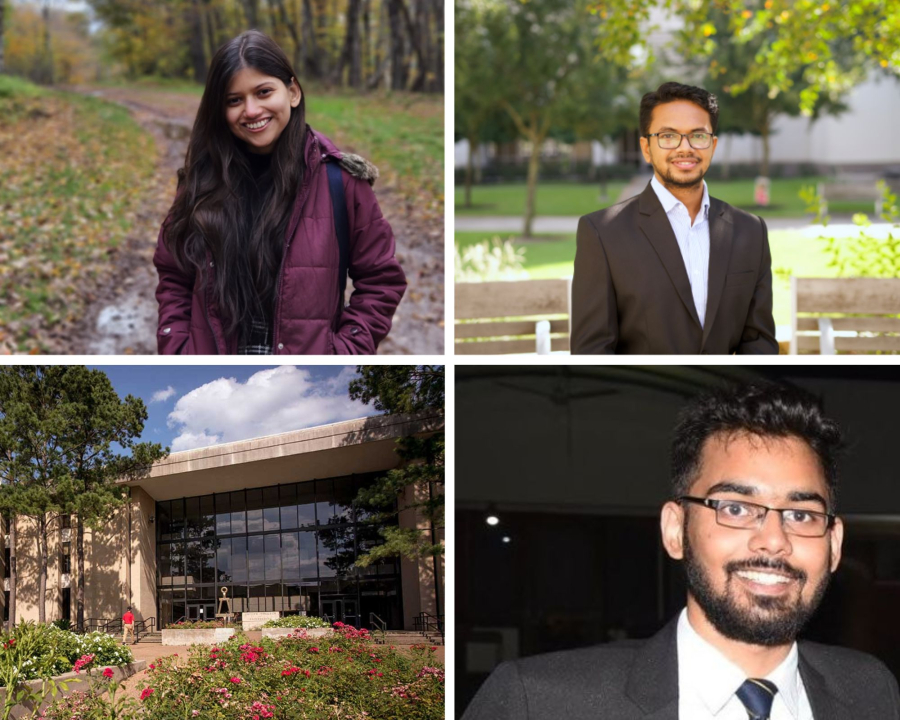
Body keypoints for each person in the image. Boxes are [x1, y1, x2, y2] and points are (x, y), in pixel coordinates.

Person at [462, 382, 900, 719]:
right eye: (735, 508)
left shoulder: (870, 691)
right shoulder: (537, 703)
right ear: (675, 530)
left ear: (835, 543)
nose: (773, 539)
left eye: (801, 515)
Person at [154, 30, 406, 354]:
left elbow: (381, 280)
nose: (251, 110)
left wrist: (344, 351)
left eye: (263, 92)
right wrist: (178, 349)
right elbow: (174, 274)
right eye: (234, 100)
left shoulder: (340, 182)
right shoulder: (200, 184)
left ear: (293, 92)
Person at [571, 82, 778, 354]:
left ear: (712, 145)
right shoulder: (602, 233)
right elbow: (592, 355)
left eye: (698, 136)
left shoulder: (750, 231)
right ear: (646, 147)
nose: (685, 148)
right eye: (668, 136)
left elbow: (759, 344)